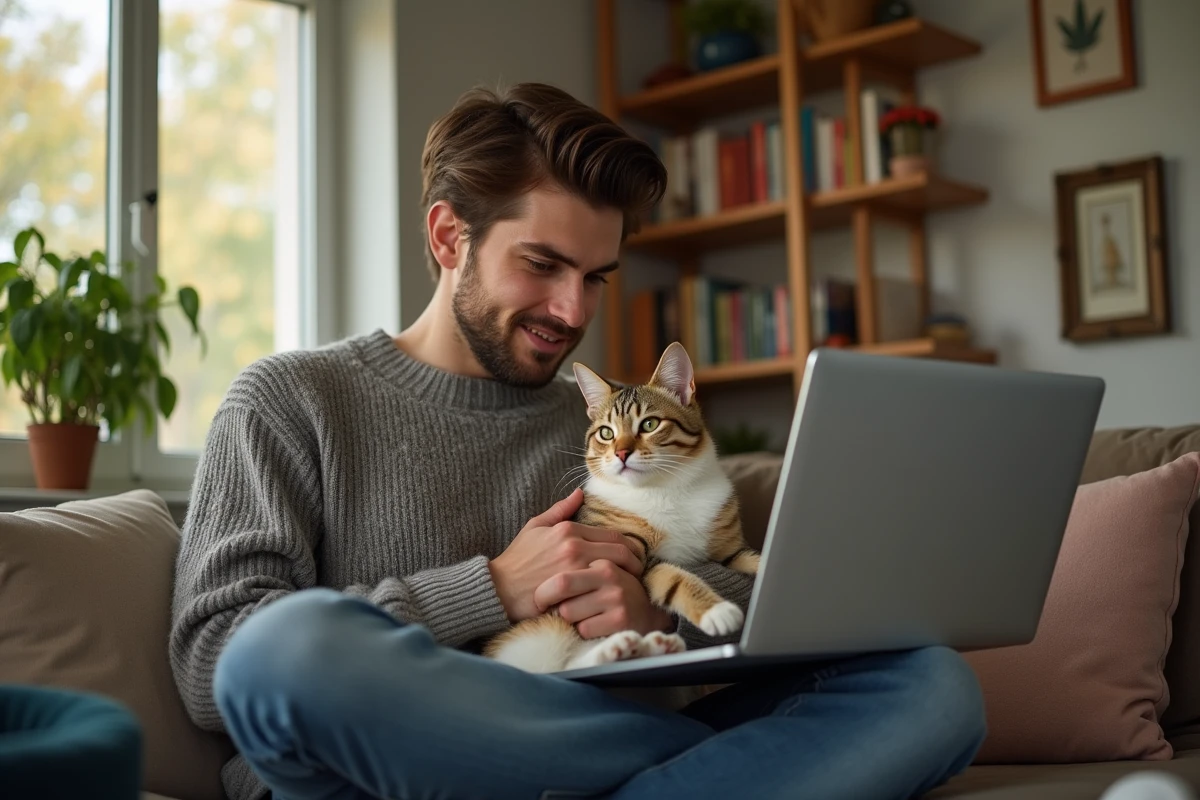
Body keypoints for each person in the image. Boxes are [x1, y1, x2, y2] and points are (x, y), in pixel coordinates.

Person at [169, 82, 985, 800]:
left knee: (930, 686)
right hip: (399, 756)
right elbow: (217, 663)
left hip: (583, 721)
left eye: (596, 277)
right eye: (544, 265)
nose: (573, 311)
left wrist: (651, 606)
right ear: (450, 238)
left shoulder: (613, 428)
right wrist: (490, 587)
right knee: (283, 651)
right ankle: (700, 769)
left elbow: (730, 604)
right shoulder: (291, 400)